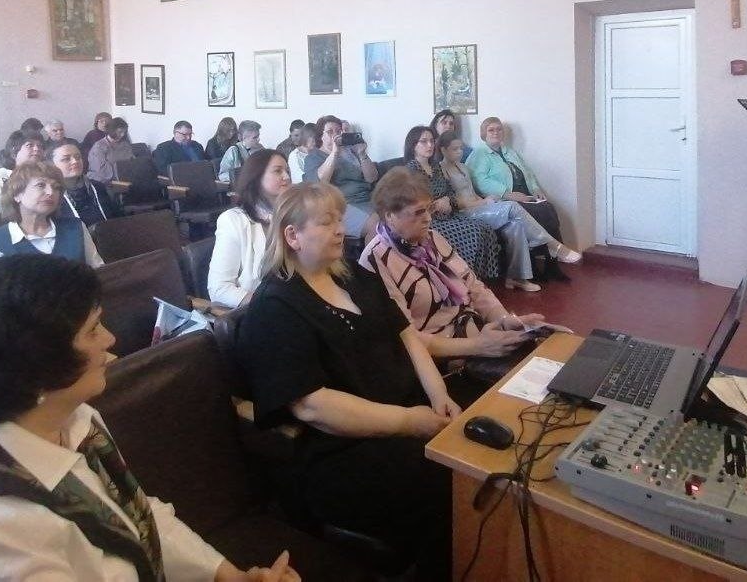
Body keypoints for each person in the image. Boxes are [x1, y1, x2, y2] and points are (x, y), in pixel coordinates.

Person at [0, 254, 301, 582]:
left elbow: (134, 515)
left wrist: (227, 575)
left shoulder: (73, 419)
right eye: (93, 330)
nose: (111, 340)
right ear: (38, 366)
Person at [233, 182, 457, 579]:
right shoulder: (274, 308)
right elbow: (312, 406)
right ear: (292, 235)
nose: (340, 229)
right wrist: (409, 422)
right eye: (326, 222)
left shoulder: (353, 274)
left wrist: (439, 395)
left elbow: (406, 334)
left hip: (409, 412)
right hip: (342, 450)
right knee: (447, 483)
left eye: (339, 219)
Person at [360, 167, 536, 364]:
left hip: (473, 337)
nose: (428, 218)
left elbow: (473, 287)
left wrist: (503, 320)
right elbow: (407, 338)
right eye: (418, 212)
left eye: (428, 209)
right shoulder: (375, 260)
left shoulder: (432, 239)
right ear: (389, 216)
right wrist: (478, 346)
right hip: (439, 358)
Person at [439, 131, 580, 285]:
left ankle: (516, 277)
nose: (460, 152)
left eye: (461, 148)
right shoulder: (441, 170)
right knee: (512, 205)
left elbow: (473, 192)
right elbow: (454, 201)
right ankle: (552, 245)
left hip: (479, 206)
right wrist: (483, 202)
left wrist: (485, 200)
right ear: (443, 150)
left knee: (516, 225)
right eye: (455, 149)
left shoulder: (463, 167)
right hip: (465, 212)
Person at [466, 116, 569, 280]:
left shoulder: (509, 152)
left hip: (524, 195)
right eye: (491, 130)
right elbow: (479, 181)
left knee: (548, 209)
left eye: (499, 129)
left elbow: (527, 172)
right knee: (534, 214)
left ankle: (552, 264)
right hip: (503, 199)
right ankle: (533, 266)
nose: (496, 132)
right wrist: (507, 193)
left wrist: (535, 189)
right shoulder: (479, 154)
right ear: (483, 134)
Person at [402, 126, 501, 281]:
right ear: (413, 145)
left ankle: (479, 278)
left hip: (449, 214)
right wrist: (435, 205)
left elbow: (450, 192)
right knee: (473, 232)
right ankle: (462, 279)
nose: (430, 145)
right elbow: (413, 203)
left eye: (432, 141)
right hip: (429, 220)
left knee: (484, 228)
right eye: (424, 141)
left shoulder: (435, 166)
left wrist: (448, 200)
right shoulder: (411, 170)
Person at [0, 162, 103, 269]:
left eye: (56, 187)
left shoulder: (76, 228)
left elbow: (99, 273)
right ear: (17, 194)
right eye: (41, 185)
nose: (50, 192)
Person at [208, 149, 290, 308]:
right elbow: (219, 289)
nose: (286, 177)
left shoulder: (291, 215)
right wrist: (268, 304)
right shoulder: (233, 220)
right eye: (278, 171)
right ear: (257, 177)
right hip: (261, 309)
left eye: (287, 171)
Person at [303, 116, 379, 238]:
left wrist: (362, 153)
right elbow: (320, 183)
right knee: (376, 225)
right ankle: (372, 251)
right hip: (341, 206)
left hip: (367, 199)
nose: (335, 135)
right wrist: (334, 153)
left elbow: (372, 178)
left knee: (395, 216)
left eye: (338, 131)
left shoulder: (351, 152)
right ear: (320, 136)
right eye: (330, 132)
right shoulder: (313, 157)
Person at [47, 139, 120, 229]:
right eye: (66, 159)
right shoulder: (51, 197)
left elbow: (118, 218)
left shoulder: (98, 187)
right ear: (52, 165)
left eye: (78, 157)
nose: (75, 161)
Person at [0, 130, 45, 216]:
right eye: (30, 145)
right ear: (14, 151)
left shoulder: (44, 177)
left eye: (40, 146)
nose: (37, 149)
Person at [87, 117, 134, 185]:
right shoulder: (99, 147)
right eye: (120, 132)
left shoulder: (125, 145)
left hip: (124, 178)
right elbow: (100, 170)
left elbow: (132, 161)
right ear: (112, 131)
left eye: (124, 132)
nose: (122, 135)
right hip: (103, 181)